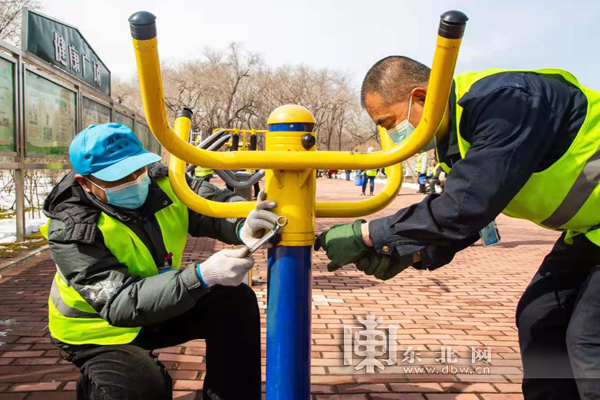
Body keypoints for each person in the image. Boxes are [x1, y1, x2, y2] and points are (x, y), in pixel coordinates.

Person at [315, 56, 600, 400]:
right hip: (590, 231)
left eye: (389, 122)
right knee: (539, 318)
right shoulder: (458, 137)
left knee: (588, 338)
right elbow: (471, 218)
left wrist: (366, 234)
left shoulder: (506, 103)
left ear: (420, 97)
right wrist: (413, 253)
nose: (393, 135)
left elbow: (465, 206)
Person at [41, 123, 279, 400]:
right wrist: (201, 275)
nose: (133, 181)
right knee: (143, 389)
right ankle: (97, 387)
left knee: (233, 300)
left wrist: (244, 224)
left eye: (137, 170)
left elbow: (211, 207)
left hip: (156, 306)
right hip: (98, 330)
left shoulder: (166, 183)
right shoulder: (72, 227)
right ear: (85, 182)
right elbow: (118, 304)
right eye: (117, 179)